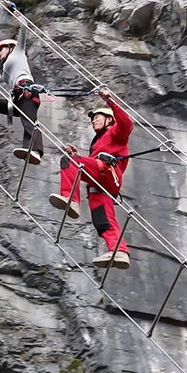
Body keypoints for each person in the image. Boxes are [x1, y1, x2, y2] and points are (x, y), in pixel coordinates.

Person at [49, 87, 133, 269]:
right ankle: (119, 251)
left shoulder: (115, 132)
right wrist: (80, 156)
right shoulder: (101, 140)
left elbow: (127, 123)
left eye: (98, 116)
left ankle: (70, 199)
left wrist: (110, 100)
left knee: (69, 161)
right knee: (102, 220)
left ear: (109, 119)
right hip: (102, 183)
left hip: (106, 173)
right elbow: (93, 161)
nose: (94, 119)